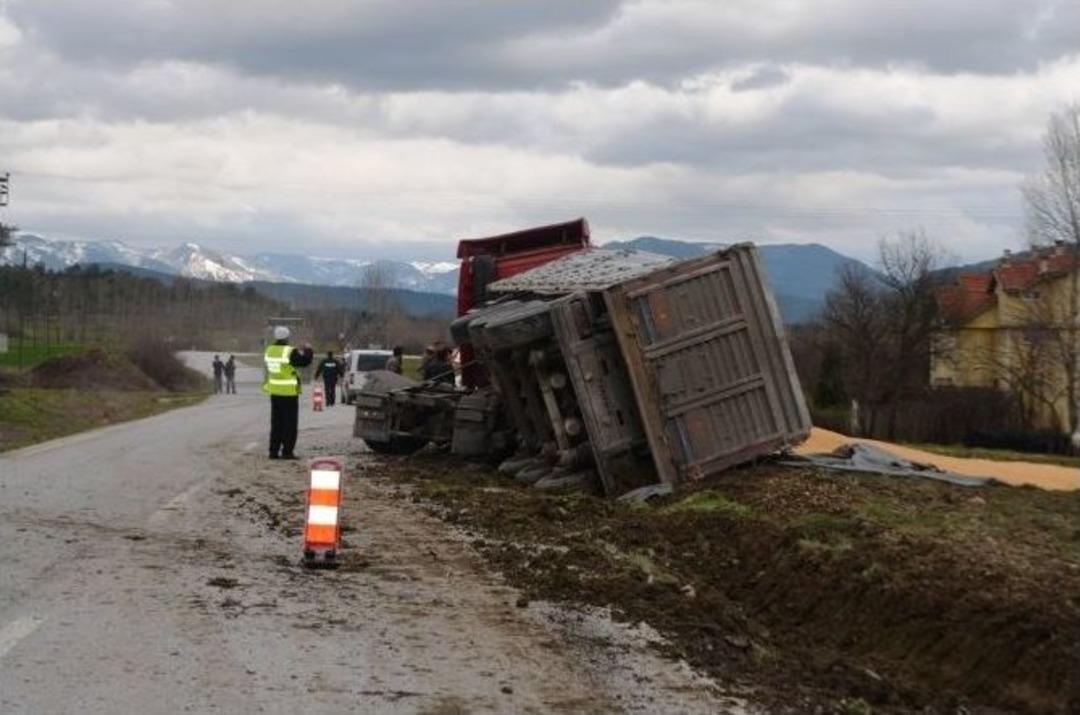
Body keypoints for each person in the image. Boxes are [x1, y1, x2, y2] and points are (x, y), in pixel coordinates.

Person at [262, 326, 314, 460]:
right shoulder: (289, 351)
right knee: (289, 424)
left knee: (276, 423)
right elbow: (304, 361)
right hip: (289, 393)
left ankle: (273, 452)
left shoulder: (269, 350)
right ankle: (287, 452)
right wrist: (308, 349)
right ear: (287, 337)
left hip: (275, 391)